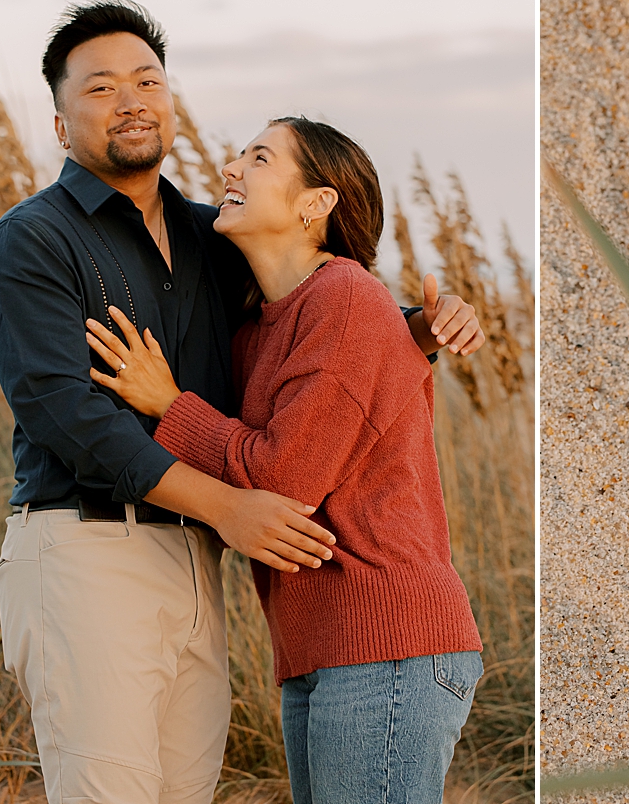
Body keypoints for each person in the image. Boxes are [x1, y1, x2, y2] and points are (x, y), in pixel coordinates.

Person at [0, 0, 485, 803]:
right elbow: (64, 415)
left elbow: (327, 307)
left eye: (148, 79)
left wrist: (415, 327)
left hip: (209, 562)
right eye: (101, 88)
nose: (132, 98)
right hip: (90, 548)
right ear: (62, 124)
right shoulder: (33, 239)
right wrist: (230, 504)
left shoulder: (216, 242)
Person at [87, 116, 483, 803]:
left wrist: (170, 404)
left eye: (260, 158)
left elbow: (283, 480)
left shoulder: (346, 297)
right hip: (319, 648)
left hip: (387, 641)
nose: (232, 170)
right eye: (240, 156)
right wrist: (416, 328)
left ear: (316, 203)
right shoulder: (258, 329)